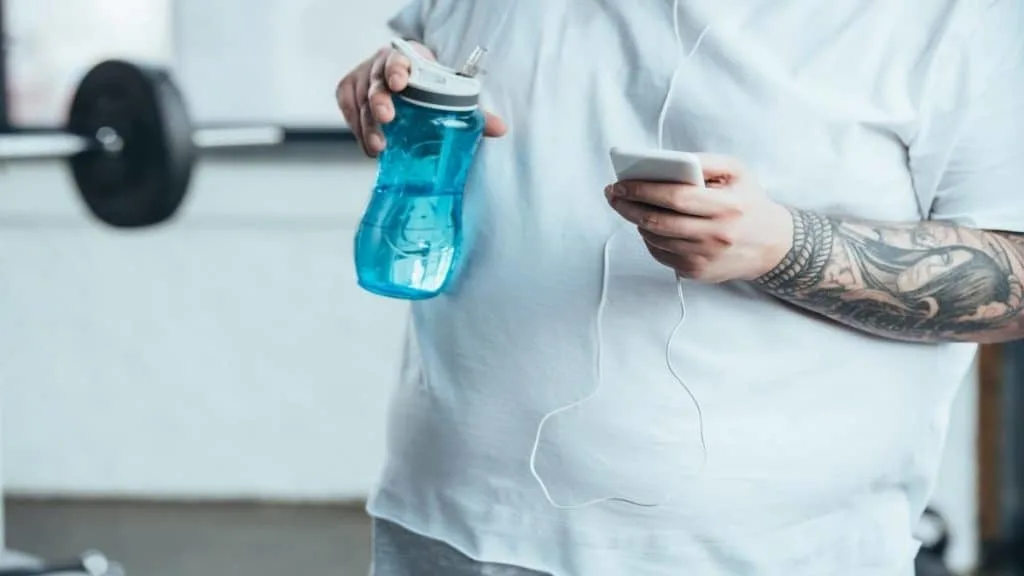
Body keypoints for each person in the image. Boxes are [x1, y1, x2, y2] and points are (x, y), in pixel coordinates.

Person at [336, 1, 1024, 574]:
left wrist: (786, 247)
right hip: (441, 528)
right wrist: (395, 79)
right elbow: (427, 53)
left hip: (764, 557)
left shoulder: (954, 17)